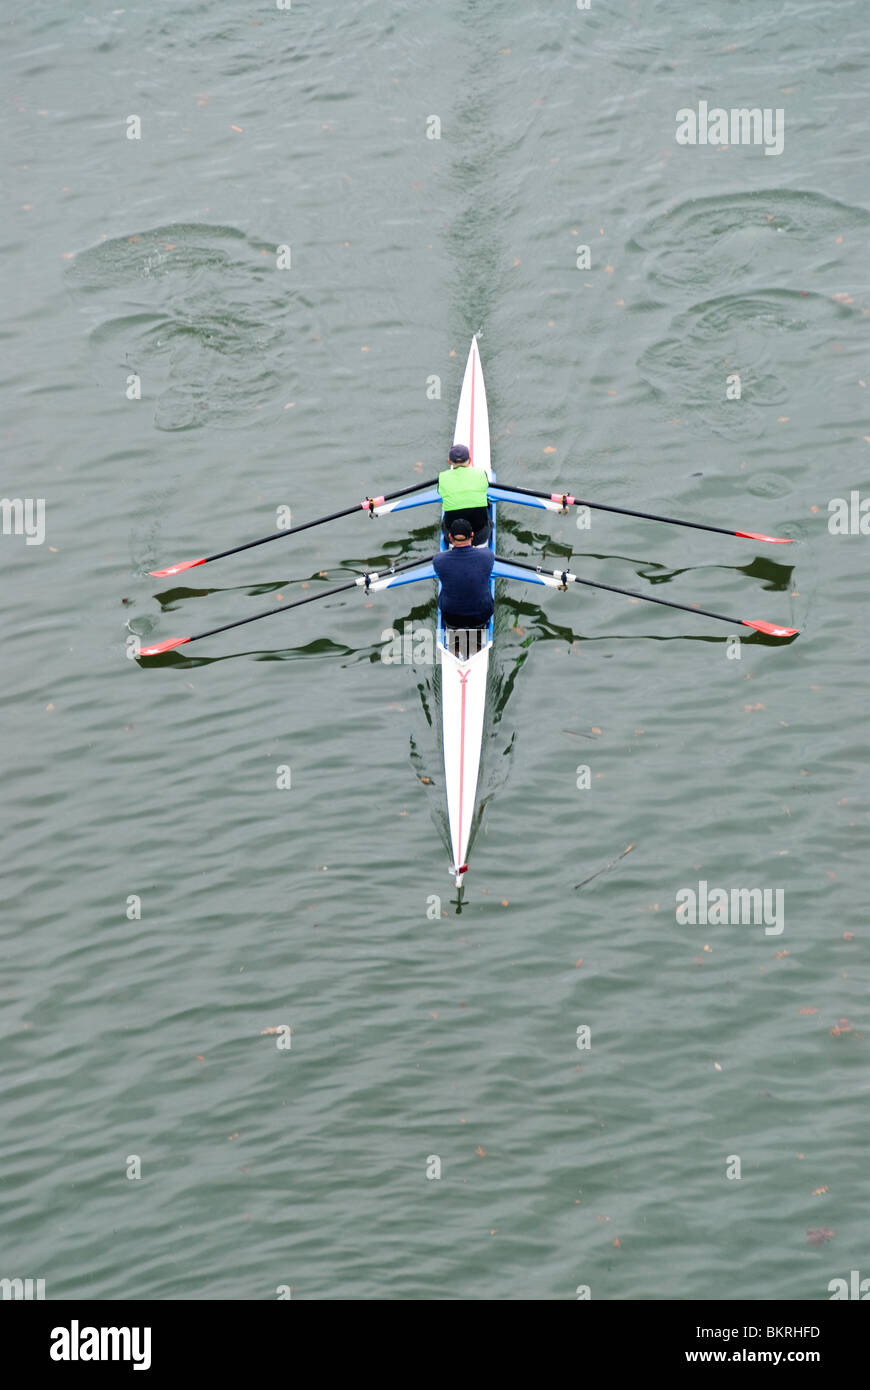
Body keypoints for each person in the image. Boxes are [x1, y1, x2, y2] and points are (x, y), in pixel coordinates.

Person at [432, 517, 494, 638]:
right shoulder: (487, 555)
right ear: (472, 535)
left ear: (450, 537)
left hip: (452, 619)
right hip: (481, 617)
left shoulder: (438, 560)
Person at [437, 444, 490, 545]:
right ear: (469, 460)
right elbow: (486, 487)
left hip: (452, 538)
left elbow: (440, 492)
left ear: (449, 462)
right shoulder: (481, 473)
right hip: (480, 537)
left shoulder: (442, 477)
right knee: (487, 505)